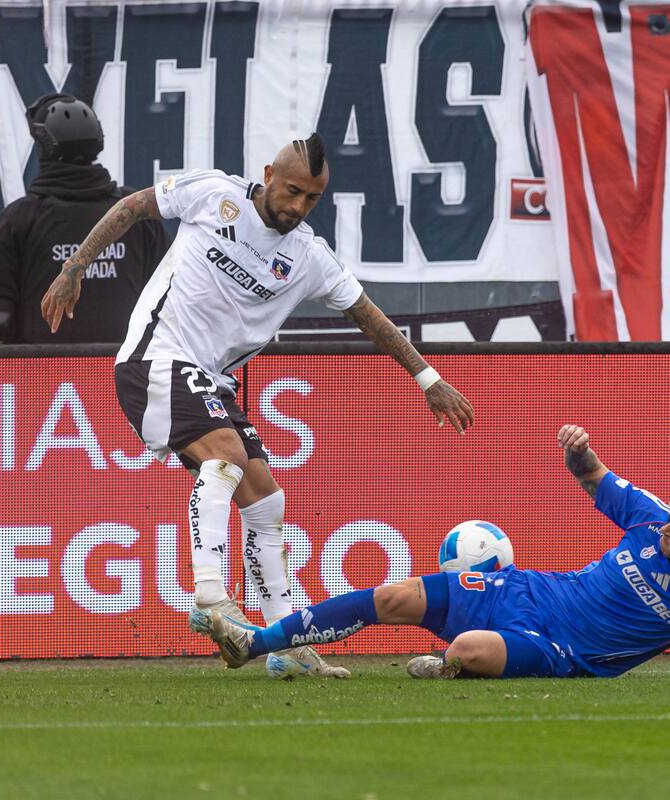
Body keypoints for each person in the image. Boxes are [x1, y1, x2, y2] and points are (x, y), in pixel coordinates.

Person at [40, 133, 474, 678]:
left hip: (213, 381)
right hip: (157, 358)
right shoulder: (211, 194)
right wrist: (75, 266)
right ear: (269, 174)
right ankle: (212, 598)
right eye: (291, 191)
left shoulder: (308, 256)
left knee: (267, 503)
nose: (297, 207)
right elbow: (132, 207)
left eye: (311, 199)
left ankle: (283, 642)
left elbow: (368, 315)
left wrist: (427, 377)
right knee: (225, 457)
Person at [191, 424, 670, 679]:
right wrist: (579, 449)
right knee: (393, 597)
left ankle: (444, 664)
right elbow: (595, 480)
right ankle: (256, 643)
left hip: (561, 652)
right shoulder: (648, 519)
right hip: (523, 590)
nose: (664, 530)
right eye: (668, 519)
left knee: (474, 651)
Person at [0, 94, 169, 343]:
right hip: (127, 374)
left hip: (42, 375)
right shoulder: (136, 213)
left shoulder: (20, 218)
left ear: (43, 149)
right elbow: (170, 296)